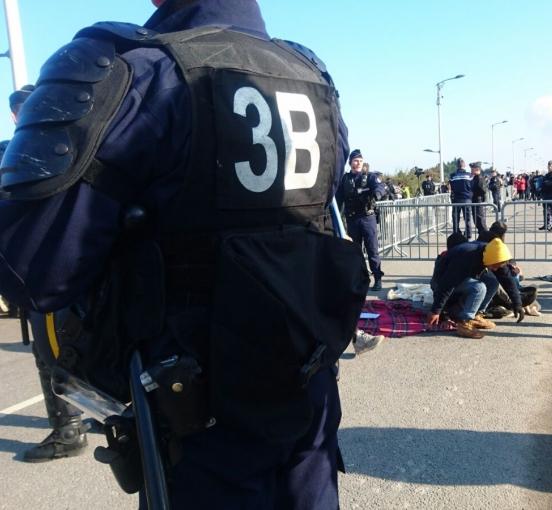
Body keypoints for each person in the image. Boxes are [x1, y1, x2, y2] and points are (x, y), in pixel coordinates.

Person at [0, 1, 369, 507]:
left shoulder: (128, 67)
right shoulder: (309, 74)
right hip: (306, 396)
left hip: (198, 425)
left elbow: (32, 270)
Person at [2, 85, 91, 463]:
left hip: (49, 268)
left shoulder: (26, 151)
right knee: (69, 349)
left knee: (54, 352)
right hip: (75, 264)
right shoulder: (75, 138)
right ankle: (82, 417)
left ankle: (69, 428)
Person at [428, 238, 523, 339]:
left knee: (493, 282)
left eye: (498, 266)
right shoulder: (466, 256)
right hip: (441, 281)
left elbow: (507, 280)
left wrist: (517, 304)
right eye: (494, 266)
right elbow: (446, 284)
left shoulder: (494, 255)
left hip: (461, 277)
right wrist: (436, 311)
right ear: (489, 258)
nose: (496, 269)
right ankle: (464, 323)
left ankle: (476, 315)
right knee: (479, 287)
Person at [338, 149, 387, 291]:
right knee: (355, 251)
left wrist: (377, 194)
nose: (358, 163)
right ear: (350, 162)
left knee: (372, 250)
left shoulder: (370, 177)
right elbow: (338, 200)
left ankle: (377, 279)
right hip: (352, 220)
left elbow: (381, 186)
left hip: (367, 219)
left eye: (360, 160)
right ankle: (360, 278)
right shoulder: (345, 179)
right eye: (355, 160)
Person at [450, 158, 473, 238]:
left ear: (457, 166)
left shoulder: (453, 176)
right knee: (467, 218)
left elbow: (452, 187)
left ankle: (456, 233)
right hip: (467, 199)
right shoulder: (469, 175)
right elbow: (471, 187)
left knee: (456, 218)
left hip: (456, 199)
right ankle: (468, 233)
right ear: (464, 165)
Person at [539, 161, 552, 230]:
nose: (550, 167)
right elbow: (543, 183)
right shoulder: (546, 175)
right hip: (545, 194)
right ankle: (546, 225)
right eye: (549, 166)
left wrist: (548, 183)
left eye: (551, 166)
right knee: (545, 210)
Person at [470, 162, 489, 235]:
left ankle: (485, 236)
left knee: (480, 220)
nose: (471, 170)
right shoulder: (475, 178)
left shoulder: (480, 178)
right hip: (475, 200)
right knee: (477, 221)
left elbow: (483, 190)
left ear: (477, 169)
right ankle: (482, 235)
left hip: (478, 200)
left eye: (472, 169)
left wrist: (477, 195)